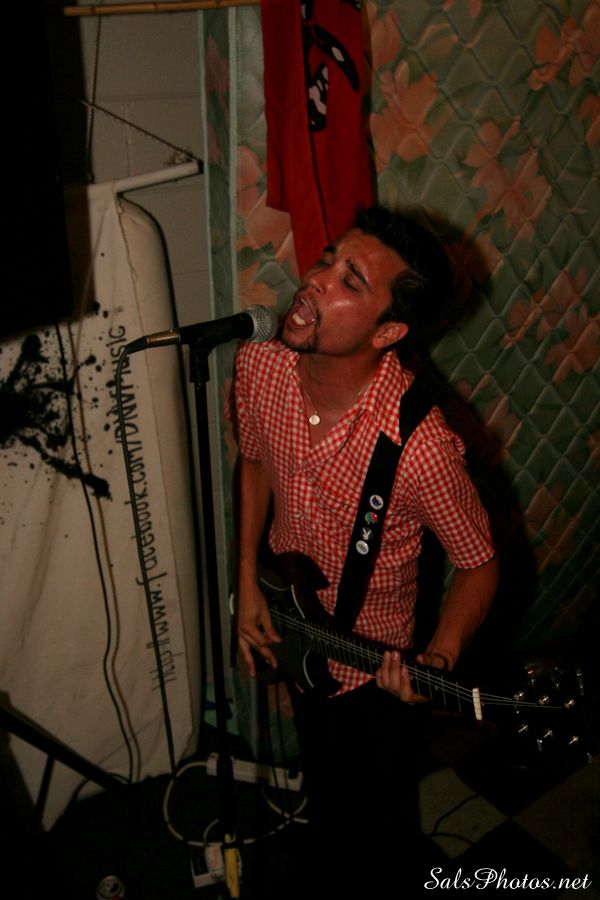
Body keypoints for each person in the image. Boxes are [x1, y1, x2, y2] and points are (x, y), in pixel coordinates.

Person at [228, 205, 499, 897]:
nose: (315, 280)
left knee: (378, 822)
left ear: (388, 332)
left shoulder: (420, 448)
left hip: (377, 668)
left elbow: (478, 563)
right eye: (327, 259)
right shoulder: (259, 363)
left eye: (350, 280)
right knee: (326, 792)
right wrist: (247, 581)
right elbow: (252, 461)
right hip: (294, 626)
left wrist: (439, 658)